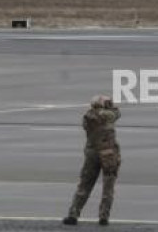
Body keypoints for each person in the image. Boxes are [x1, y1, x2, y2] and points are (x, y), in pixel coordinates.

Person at [63, 94, 121, 226]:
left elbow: (93, 117)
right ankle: (104, 217)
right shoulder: (109, 116)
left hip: (92, 154)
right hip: (109, 155)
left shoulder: (88, 117)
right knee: (108, 188)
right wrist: (108, 105)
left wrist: (100, 104)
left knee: (84, 185)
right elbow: (116, 113)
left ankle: (73, 214)